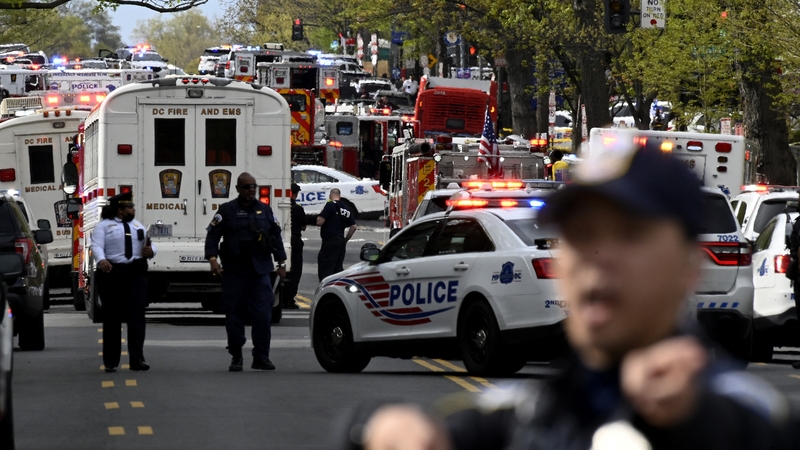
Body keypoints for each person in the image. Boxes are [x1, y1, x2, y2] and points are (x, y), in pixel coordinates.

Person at [345, 136, 800, 449]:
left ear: (687, 265)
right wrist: (373, 428)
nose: (598, 257)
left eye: (629, 234)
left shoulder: (748, 417)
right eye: (580, 235)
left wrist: (698, 425)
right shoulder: (517, 418)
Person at [204, 172, 287, 371]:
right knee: (234, 316)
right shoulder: (227, 210)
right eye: (247, 187)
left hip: (260, 272)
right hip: (235, 272)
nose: (251, 190)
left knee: (263, 316)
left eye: (253, 187)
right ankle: (236, 355)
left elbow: (276, 237)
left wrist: (282, 263)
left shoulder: (265, 210)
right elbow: (212, 236)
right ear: (238, 189)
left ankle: (261, 356)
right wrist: (213, 259)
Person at [93, 192, 155, 373]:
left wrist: (150, 251)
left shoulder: (137, 225)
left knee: (137, 317)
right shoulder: (104, 226)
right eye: (130, 207)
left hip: (135, 273)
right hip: (112, 272)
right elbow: (96, 244)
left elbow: (150, 244)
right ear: (120, 210)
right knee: (112, 317)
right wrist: (101, 259)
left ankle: (137, 359)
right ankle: (111, 360)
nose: (134, 209)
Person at [317, 188, 357, 281]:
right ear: (340, 196)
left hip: (330, 241)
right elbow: (354, 227)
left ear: (330, 196)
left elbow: (319, 222)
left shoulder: (330, 205)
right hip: (340, 241)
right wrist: (345, 240)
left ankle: (325, 288)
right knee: (337, 268)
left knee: (325, 266)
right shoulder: (346, 208)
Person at [283, 183, 305, 310]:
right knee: (295, 271)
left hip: (282, 241)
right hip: (295, 240)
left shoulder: (282, 206)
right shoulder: (298, 209)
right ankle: (289, 298)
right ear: (295, 194)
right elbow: (303, 226)